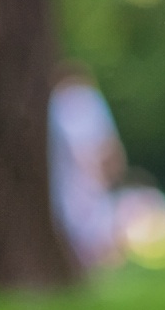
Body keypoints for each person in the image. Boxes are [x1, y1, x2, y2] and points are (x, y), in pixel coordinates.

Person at [48, 64, 127, 271]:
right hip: (86, 184)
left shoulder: (57, 103)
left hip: (68, 185)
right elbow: (104, 147)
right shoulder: (84, 100)